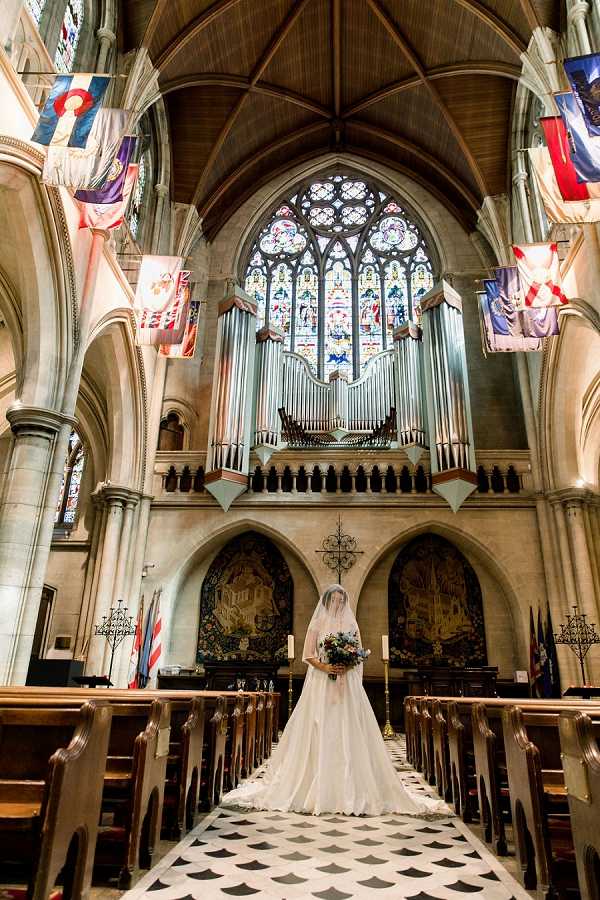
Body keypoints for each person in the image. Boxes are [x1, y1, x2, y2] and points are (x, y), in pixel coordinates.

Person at [222, 584, 448, 816]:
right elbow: (308, 655)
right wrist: (328, 666)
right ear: (327, 601)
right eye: (334, 600)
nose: (338, 604)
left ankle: (353, 787)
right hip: (321, 682)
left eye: (341, 600)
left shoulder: (351, 624)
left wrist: (347, 663)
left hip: (347, 683)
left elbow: (359, 654)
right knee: (319, 726)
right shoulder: (318, 623)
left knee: (349, 728)